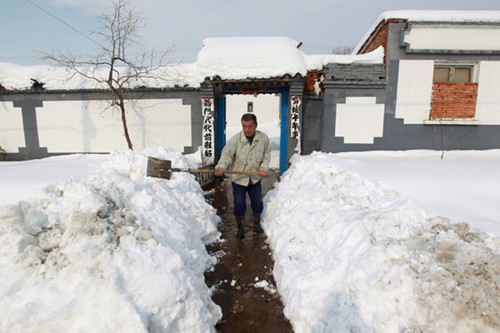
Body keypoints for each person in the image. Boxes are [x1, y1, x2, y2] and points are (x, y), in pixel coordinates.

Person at [215, 113, 271, 239]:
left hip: (255, 178)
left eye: (250, 126)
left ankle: (256, 224)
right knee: (239, 204)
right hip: (239, 179)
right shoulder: (236, 140)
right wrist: (221, 167)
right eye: (244, 126)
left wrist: (263, 168)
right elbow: (226, 156)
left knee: (257, 203)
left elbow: (267, 155)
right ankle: (240, 227)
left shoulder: (263, 139)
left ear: (256, 125)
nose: (247, 129)